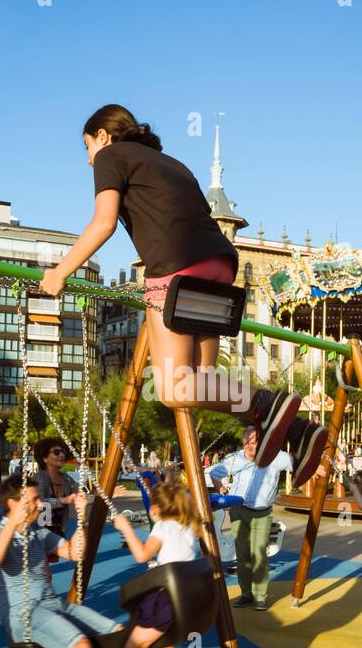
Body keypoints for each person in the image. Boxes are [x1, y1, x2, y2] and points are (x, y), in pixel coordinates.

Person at [37, 104, 328, 489]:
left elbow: (104, 222)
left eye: (87, 147)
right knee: (202, 384)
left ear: (103, 136)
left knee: (174, 389)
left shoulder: (111, 155)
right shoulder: (171, 163)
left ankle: (268, 404)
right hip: (221, 268)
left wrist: (60, 272)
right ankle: (297, 428)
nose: (89, 160)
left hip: (177, 271)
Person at [0, 475, 171, 648]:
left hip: (55, 605)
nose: (40, 505)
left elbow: (75, 553)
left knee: (121, 633)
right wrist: (11, 525)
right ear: (13, 504)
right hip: (24, 614)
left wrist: (81, 517)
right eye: (34, 500)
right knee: (81, 645)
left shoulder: (37, 532)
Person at [110, 480, 227, 648]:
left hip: (166, 599)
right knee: (154, 639)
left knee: (132, 646)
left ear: (155, 508)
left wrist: (126, 528)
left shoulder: (162, 527)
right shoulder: (190, 525)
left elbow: (142, 555)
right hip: (191, 599)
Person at [205, 427, 293, 610]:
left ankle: (260, 596)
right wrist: (220, 488)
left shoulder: (275, 456)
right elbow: (214, 474)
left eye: (254, 442)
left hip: (262, 513)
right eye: (247, 442)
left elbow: (298, 464)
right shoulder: (235, 459)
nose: (250, 446)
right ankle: (246, 594)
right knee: (243, 554)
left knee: (258, 554)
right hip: (239, 511)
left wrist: (315, 469)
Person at [34, 437, 74, 565]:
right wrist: (63, 500)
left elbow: (80, 495)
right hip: (39, 532)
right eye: (56, 452)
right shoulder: (40, 478)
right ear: (45, 458)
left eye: (63, 452)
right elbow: (39, 502)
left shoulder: (66, 479)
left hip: (57, 532)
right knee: (43, 572)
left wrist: (106, 494)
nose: (61, 455)